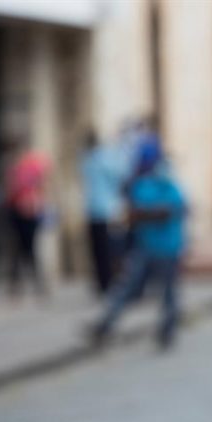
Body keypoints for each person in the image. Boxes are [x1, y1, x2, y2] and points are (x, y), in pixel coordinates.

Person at [90, 135, 187, 350]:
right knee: (127, 288)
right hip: (146, 247)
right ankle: (105, 325)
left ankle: (167, 331)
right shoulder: (140, 185)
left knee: (169, 293)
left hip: (168, 248)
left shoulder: (167, 182)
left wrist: (142, 213)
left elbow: (169, 210)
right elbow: (130, 213)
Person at [79, 130, 126, 295]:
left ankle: (106, 282)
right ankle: (105, 282)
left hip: (102, 210)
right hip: (102, 210)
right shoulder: (94, 159)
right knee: (103, 250)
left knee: (104, 250)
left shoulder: (94, 159)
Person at [5, 145, 51, 298]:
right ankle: (20, 283)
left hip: (30, 213)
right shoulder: (16, 170)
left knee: (29, 250)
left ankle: (33, 283)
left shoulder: (31, 169)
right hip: (20, 213)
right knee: (20, 250)